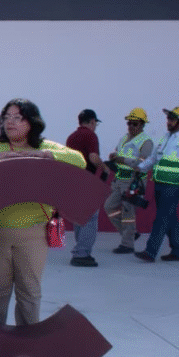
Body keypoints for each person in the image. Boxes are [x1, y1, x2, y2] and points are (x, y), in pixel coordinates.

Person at [0, 99, 85, 327]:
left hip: (34, 234)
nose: (10, 122)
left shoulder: (44, 147)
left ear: (32, 122)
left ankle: (28, 340)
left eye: (17, 117)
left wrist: (48, 155)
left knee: (29, 291)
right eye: (6, 117)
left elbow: (79, 160)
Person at [135, 106, 179, 263]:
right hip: (160, 183)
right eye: (168, 118)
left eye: (172, 119)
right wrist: (140, 168)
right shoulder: (165, 138)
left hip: (175, 185)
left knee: (162, 217)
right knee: (170, 217)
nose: (168, 121)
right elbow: (153, 158)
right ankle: (178, 251)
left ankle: (150, 252)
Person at [105, 108, 154, 254]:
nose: (131, 126)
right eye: (129, 123)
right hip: (119, 180)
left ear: (142, 125)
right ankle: (131, 234)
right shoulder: (124, 138)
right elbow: (118, 152)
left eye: (135, 123)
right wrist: (114, 155)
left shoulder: (146, 142)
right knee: (109, 207)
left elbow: (143, 163)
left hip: (134, 181)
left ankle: (127, 244)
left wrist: (123, 160)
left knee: (128, 212)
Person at [65, 109, 106, 267]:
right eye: (95, 123)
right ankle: (82, 253)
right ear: (92, 121)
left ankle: (80, 249)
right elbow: (93, 157)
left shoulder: (71, 137)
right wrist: (105, 168)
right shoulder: (90, 135)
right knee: (90, 218)